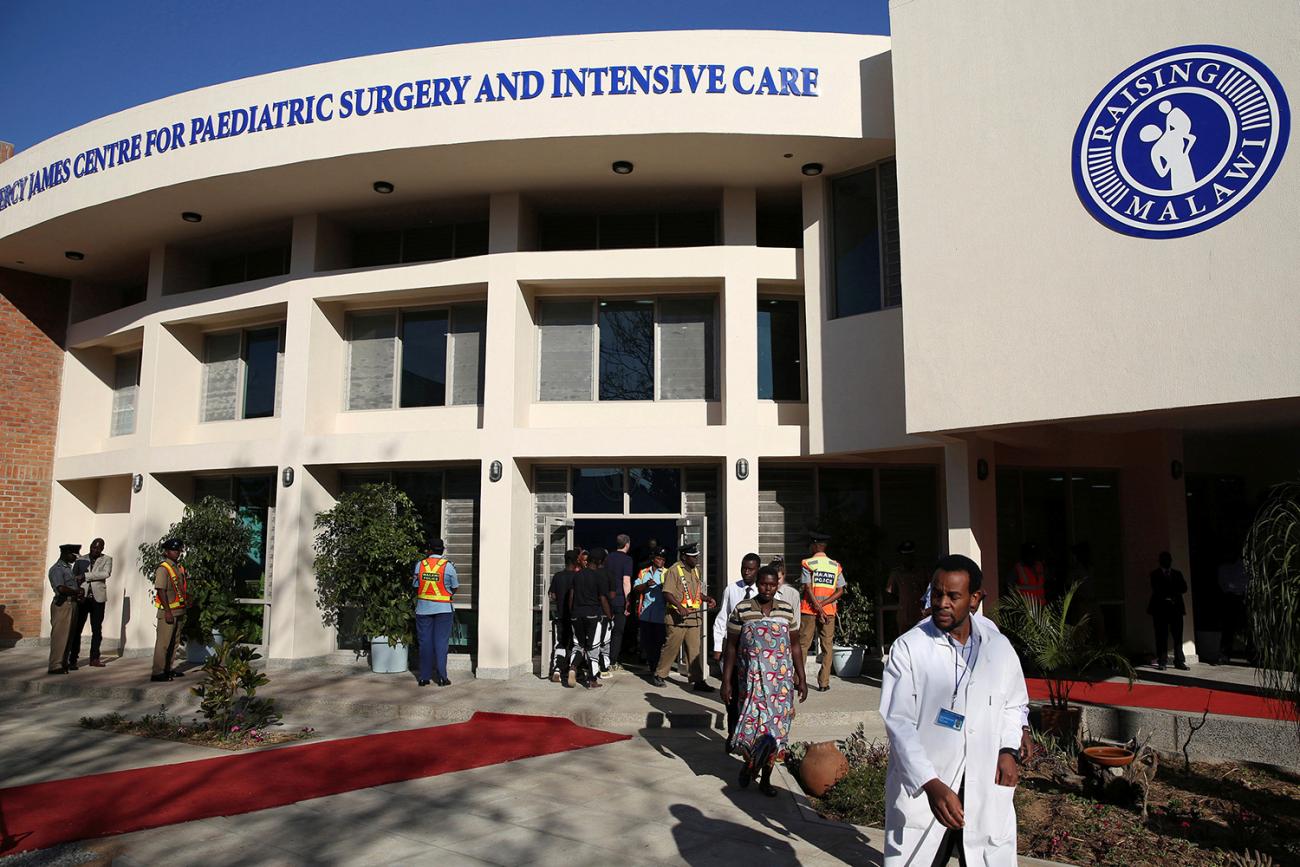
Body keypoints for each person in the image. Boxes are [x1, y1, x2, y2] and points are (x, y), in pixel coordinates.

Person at [880, 554, 1029, 866]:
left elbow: (1014, 703)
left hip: (982, 780)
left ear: (975, 599)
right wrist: (930, 784)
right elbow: (898, 723)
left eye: (953, 596)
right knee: (921, 858)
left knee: (985, 855)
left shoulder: (997, 646)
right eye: (936, 593)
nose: (941, 603)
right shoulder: (909, 648)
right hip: (930, 787)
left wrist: (1008, 750)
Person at [721, 565, 807, 796]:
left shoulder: (786, 610)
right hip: (750, 684)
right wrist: (726, 681)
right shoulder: (742, 609)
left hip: (780, 686)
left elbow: (795, 645)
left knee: (776, 733)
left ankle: (766, 779)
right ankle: (751, 763)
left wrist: (802, 677)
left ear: (777, 585)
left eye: (772, 584)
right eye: (763, 584)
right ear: (756, 584)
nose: (767, 589)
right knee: (751, 728)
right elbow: (730, 647)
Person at [652, 541, 715, 690]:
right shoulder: (674, 570)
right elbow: (667, 593)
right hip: (676, 618)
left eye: (697, 556)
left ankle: (698, 680)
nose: (696, 559)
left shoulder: (695, 571)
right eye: (693, 557)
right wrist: (679, 607)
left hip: (693, 618)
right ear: (684, 557)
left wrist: (707, 599)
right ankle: (659, 675)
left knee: (694, 651)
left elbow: (696, 593)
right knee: (671, 648)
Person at [713, 553, 762, 743]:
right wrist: (718, 646)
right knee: (730, 694)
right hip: (733, 650)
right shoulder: (732, 589)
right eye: (743, 568)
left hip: (754, 654)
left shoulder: (764, 591)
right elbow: (722, 618)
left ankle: (749, 735)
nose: (746, 572)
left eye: (750, 569)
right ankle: (733, 732)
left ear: (758, 570)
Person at [799, 532, 845, 693]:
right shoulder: (835, 566)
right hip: (829, 612)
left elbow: (807, 588)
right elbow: (840, 590)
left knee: (804, 645)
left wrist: (817, 607)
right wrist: (824, 606)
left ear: (816, 545)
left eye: (811, 544)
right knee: (827, 647)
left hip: (809, 610)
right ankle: (824, 683)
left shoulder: (808, 563)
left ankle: (798, 681)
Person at [412, 538, 458, 687]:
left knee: (425, 642)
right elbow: (455, 587)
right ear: (442, 550)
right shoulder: (449, 567)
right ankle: (442, 678)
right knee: (441, 643)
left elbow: (415, 585)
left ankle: (424, 678)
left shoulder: (420, 565)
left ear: (429, 550)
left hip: (423, 609)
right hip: (444, 609)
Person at [570, 547, 613, 689]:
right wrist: (609, 615)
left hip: (576, 614)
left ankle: (573, 667)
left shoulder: (577, 575)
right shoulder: (598, 576)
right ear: (600, 561)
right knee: (593, 648)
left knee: (578, 645)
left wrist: (572, 612)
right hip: (592, 614)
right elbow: (603, 598)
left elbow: (572, 595)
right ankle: (592, 680)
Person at [70, 537, 112, 668]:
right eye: (93, 547)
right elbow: (74, 575)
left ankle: (94, 658)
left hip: (97, 598)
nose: (94, 550)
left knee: (96, 629)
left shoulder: (107, 559)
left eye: (98, 548)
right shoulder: (81, 559)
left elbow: (105, 573)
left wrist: (86, 576)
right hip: (83, 598)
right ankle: (73, 659)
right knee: (77, 629)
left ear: (102, 549)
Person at [150, 539, 189, 682]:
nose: (177, 553)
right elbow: (161, 590)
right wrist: (167, 611)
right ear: (166, 552)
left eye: (178, 550)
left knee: (174, 642)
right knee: (163, 643)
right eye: (174, 550)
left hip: (178, 610)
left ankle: (168, 669)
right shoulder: (163, 568)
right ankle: (158, 672)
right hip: (168, 612)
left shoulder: (178, 567)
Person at [628, 547, 668, 672]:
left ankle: (656, 668)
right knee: (647, 643)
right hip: (645, 614)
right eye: (658, 558)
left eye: (663, 559)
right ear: (653, 559)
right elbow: (635, 589)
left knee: (659, 643)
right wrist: (646, 585)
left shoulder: (667, 573)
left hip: (661, 615)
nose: (661, 561)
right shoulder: (644, 572)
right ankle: (652, 666)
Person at [1148, 551, 1189, 670]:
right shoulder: (1155, 574)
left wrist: (1173, 595)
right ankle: (1162, 661)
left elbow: (1184, 588)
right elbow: (1157, 589)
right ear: (1160, 561)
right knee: (1161, 636)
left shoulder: (1177, 574)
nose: (1167, 562)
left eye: (1168, 559)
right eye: (1164, 559)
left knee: (1178, 636)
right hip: (1160, 609)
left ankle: (1179, 661)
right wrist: (1169, 595)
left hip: (1176, 609)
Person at [46, 544, 82, 675]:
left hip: (71, 604)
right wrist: (76, 591)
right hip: (62, 605)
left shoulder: (67, 569)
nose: (75, 558)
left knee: (69, 636)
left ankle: (63, 662)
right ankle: (55, 665)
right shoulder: (57, 569)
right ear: (66, 553)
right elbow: (61, 588)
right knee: (60, 636)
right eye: (74, 555)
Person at [549, 548, 582, 684]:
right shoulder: (578, 577)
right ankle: (572, 669)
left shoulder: (558, 576)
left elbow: (553, 595)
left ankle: (557, 669)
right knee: (576, 644)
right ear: (576, 561)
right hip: (575, 617)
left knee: (561, 644)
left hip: (561, 615)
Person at [604, 534, 635, 673]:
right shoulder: (627, 560)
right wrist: (628, 601)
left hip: (606, 599)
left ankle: (602, 659)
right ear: (627, 544)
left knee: (604, 630)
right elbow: (626, 581)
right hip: (619, 599)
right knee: (617, 632)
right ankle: (612, 661)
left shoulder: (608, 558)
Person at [1217, 554, 1252, 665]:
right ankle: (1224, 655)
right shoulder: (1224, 568)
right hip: (1230, 599)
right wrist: (1234, 587)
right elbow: (1225, 585)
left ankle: (1251, 655)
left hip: (1243, 598)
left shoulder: (1244, 567)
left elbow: (1245, 583)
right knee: (1228, 628)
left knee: (1248, 628)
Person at [886, 541, 926, 637]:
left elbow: (928, 591)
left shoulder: (922, 572)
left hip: (920, 615)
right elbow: (890, 593)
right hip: (904, 616)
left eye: (910, 556)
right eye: (905, 556)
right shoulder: (896, 574)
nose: (908, 559)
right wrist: (902, 602)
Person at [770, 558, 802, 630]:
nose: (775, 582)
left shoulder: (793, 594)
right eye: (773, 578)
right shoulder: (763, 592)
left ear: (784, 576)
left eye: (778, 578)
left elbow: (796, 620)